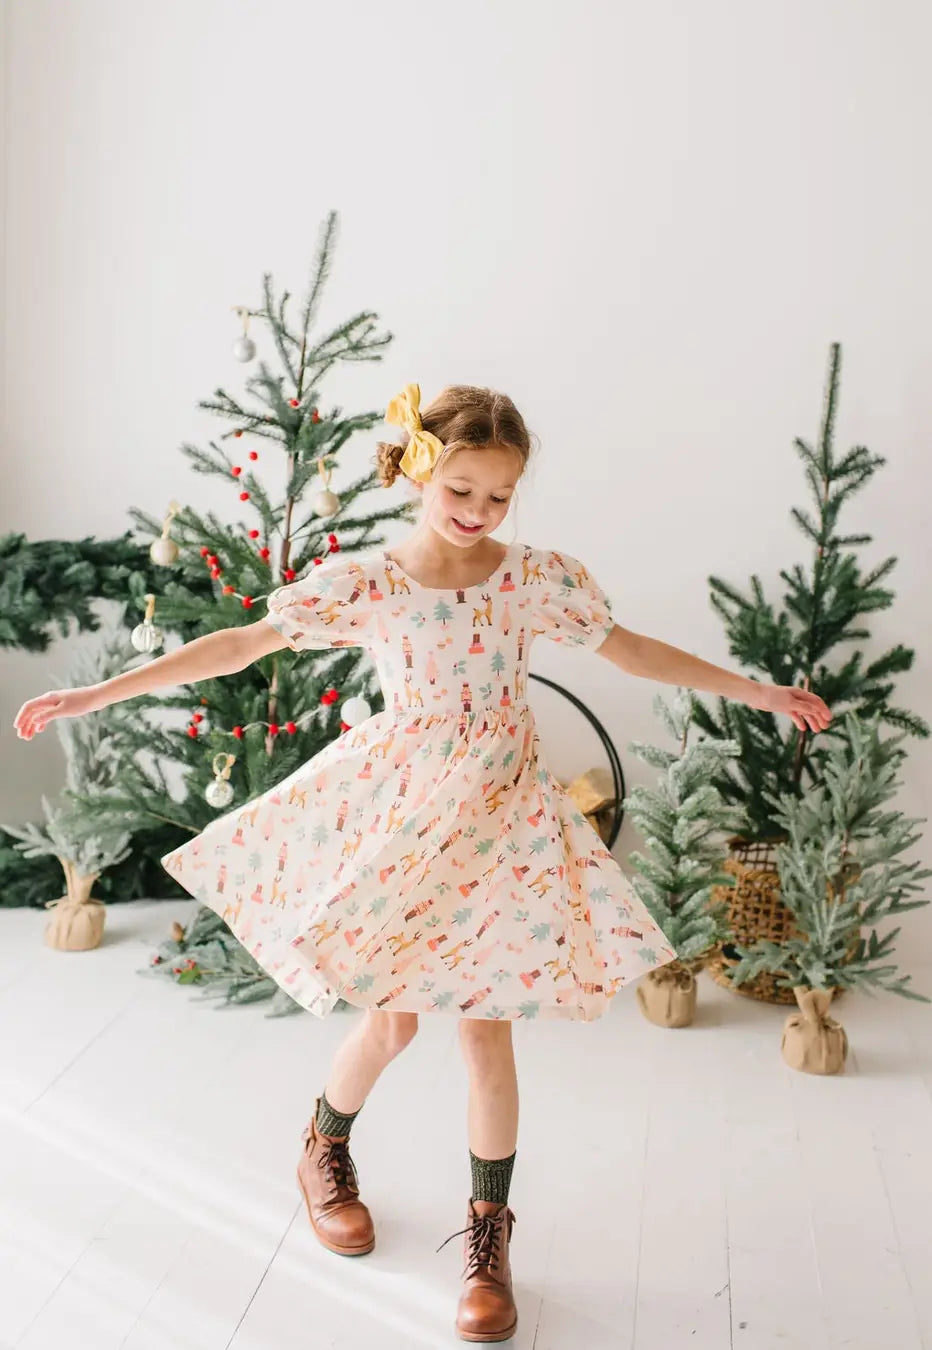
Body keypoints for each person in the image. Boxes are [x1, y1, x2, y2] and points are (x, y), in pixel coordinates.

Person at [14, 382, 831, 1344]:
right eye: (463, 489)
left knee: (488, 1035)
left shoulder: (534, 579)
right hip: (404, 817)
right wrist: (95, 694)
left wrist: (760, 693)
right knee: (392, 1022)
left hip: (505, 822)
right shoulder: (370, 582)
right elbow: (240, 646)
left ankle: (489, 1243)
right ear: (417, 470)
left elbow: (635, 652)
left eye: (500, 495)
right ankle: (323, 1147)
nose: (479, 511)